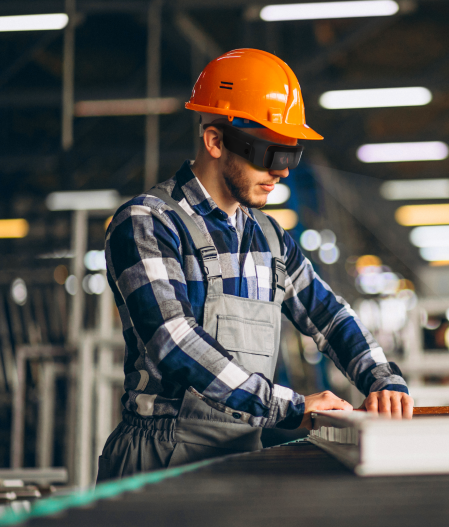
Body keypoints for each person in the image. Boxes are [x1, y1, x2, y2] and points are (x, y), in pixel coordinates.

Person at [97, 49, 413, 481]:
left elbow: (329, 314)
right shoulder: (148, 222)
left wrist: (382, 379)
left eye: (291, 155)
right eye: (269, 154)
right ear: (215, 140)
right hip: (158, 459)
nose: (281, 172)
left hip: (241, 454)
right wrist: (288, 407)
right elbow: (173, 342)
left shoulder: (269, 238)